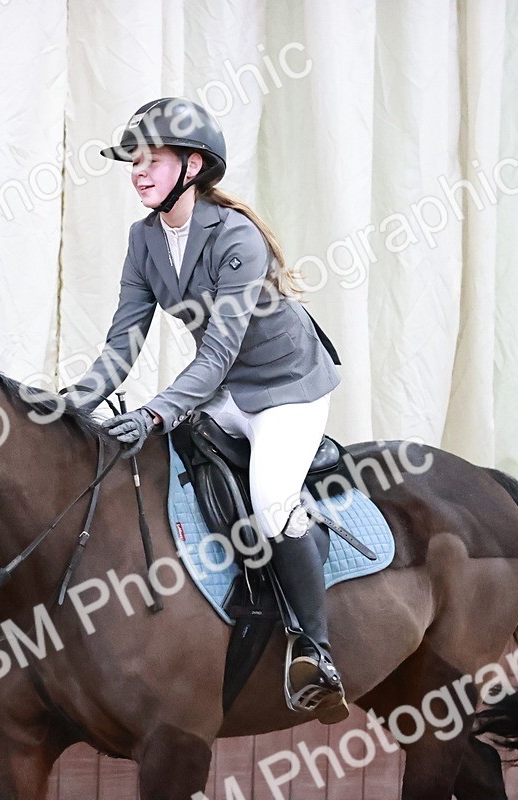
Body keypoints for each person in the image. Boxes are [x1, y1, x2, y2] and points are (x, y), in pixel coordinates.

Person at [62, 97, 346, 714]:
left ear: (192, 166)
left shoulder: (236, 236)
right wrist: (70, 404)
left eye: (152, 160)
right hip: (223, 394)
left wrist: (156, 412)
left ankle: (316, 649)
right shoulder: (144, 239)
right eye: (132, 162)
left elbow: (216, 353)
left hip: (285, 388)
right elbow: (122, 345)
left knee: (271, 502)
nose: (137, 172)